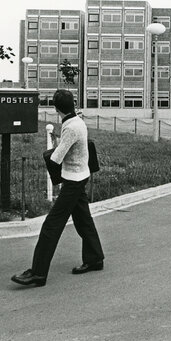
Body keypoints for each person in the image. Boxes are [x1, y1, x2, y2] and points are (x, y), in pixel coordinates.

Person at [12, 89, 104, 287]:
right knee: (83, 221)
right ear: (72, 105)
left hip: (73, 181)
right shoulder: (77, 121)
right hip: (81, 175)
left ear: (56, 109)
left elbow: (56, 158)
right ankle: (95, 258)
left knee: (50, 226)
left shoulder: (70, 127)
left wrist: (53, 147)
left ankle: (38, 273)